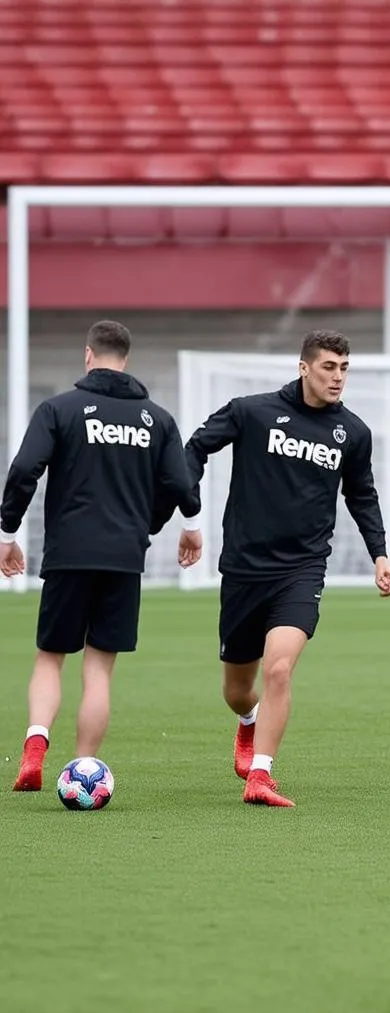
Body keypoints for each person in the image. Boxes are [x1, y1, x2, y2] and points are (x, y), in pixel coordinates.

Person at [172, 330, 390, 807]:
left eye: (344, 368)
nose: (337, 377)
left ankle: (261, 775)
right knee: (237, 690)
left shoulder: (352, 433)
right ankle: (248, 722)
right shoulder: (251, 411)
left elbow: (361, 494)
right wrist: (189, 512)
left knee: (278, 669)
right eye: (328, 367)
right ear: (303, 367)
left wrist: (379, 552)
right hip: (244, 568)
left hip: (303, 569)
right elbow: (194, 448)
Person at [1, 319, 201, 791]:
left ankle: (35, 743)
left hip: (69, 552)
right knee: (99, 667)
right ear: (125, 359)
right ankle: (83, 768)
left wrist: (7, 531)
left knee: (51, 657)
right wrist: (187, 527)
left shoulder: (60, 409)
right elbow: (178, 483)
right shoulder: (157, 419)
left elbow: (26, 468)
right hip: (124, 556)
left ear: (88, 355)